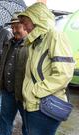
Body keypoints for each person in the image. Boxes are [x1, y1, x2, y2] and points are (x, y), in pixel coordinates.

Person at [18, 2, 75, 135]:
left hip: (44, 106)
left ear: (37, 19)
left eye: (26, 23)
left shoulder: (55, 36)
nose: (25, 28)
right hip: (33, 104)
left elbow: (63, 74)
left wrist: (35, 91)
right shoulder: (35, 42)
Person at [0, 12, 28, 135]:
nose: (14, 30)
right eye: (12, 27)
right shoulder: (8, 43)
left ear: (25, 27)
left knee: (27, 125)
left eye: (17, 27)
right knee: (5, 120)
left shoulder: (30, 45)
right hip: (7, 91)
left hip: (23, 94)